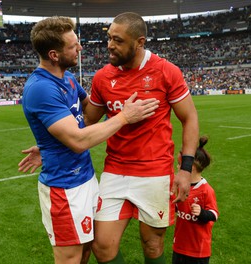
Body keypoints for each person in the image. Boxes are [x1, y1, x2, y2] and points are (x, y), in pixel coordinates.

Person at [19, 12, 199, 264]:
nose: (110, 46)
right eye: (109, 38)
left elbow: (189, 117)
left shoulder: (166, 71)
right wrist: (49, 145)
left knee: (153, 244)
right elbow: (88, 121)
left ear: (139, 42)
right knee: (101, 245)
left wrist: (185, 169)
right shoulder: (103, 77)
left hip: (155, 170)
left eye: (118, 40)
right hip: (115, 171)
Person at [173, 136, 218, 264]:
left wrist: (202, 213)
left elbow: (214, 214)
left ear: (190, 167)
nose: (177, 167)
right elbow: (177, 207)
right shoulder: (181, 186)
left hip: (198, 251)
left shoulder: (206, 190)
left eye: (179, 164)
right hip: (179, 246)